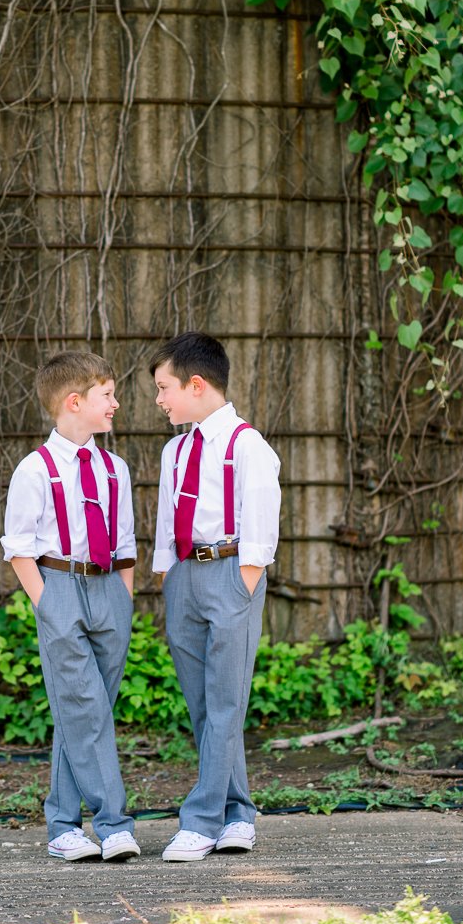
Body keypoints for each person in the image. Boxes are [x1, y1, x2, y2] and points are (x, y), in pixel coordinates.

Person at [1, 351, 140, 862]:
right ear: (75, 402)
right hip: (59, 586)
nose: (116, 404)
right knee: (83, 705)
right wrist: (49, 606)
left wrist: (123, 598)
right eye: (108, 395)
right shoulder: (34, 470)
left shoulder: (114, 468)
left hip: (108, 591)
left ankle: (62, 825)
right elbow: (17, 547)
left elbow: (125, 539)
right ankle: (114, 823)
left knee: (86, 710)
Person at [151, 331, 281, 862]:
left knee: (227, 702)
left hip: (232, 574)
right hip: (185, 577)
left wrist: (243, 585)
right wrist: (168, 579)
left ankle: (201, 820)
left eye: (164, 388)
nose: (159, 400)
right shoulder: (175, 450)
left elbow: (261, 529)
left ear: (196, 385)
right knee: (204, 706)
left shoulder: (248, 446)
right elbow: (165, 523)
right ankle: (239, 813)